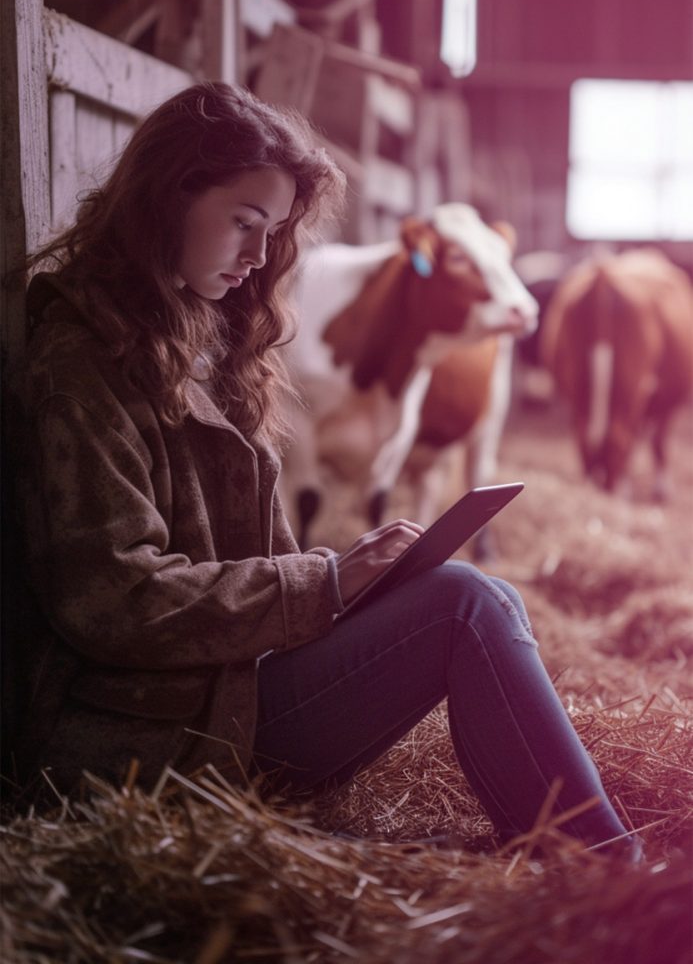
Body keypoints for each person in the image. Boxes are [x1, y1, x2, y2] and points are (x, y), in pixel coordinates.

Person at [14, 81, 640, 859]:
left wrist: (357, 585)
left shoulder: (201, 340)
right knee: (465, 605)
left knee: (467, 594)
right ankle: (608, 867)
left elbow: (259, 565)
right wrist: (326, 584)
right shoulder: (80, 361)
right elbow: (111, 597)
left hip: (225, 686)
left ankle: (591, 858)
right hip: (147, 731)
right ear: (164, 199)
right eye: (243, 223)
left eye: (271, 231)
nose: (256, 257)